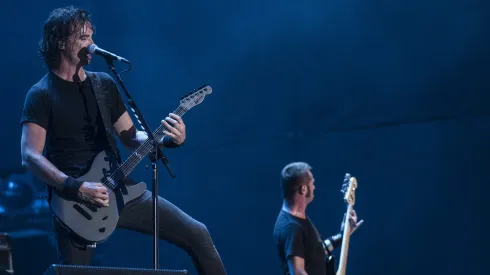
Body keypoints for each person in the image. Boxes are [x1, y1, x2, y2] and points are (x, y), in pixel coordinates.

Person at [20, 6, 226, 275]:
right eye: (83, 38)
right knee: (72, 272)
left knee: (198, 234)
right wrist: (76, 187)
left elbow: (131, 136)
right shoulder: (41, 94)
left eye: (92, 37)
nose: (92, 45)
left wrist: (166, 140)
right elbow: (30, 156)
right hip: (75, 204)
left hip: (121, 187)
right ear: (60, 41)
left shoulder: (103, 84)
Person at [273, 162, 364, 275]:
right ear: (303, 189)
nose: (314, 187)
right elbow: (298, 272)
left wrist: (343, 234)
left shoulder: (299, 218)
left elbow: (316, 252)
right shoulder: (291, 228)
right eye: (312, 183)